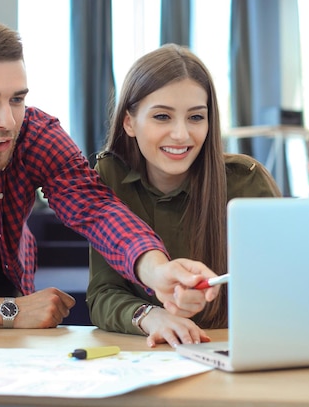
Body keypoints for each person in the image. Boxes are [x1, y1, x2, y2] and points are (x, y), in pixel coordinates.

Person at [0, 17, 220, 331]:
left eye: (16, 99)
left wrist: (156, 271)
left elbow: (95, 208)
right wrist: (7, 311)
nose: (7, 121)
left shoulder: (34, 134)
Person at [86, 44, 282, 347]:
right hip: (149, 358)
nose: (181, 134)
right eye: (162, 117)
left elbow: (282, 290)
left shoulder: (246, 183)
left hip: (237, 353)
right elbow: (103, 294)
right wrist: (151, 316)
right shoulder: (108, 177)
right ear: (129, 122)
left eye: (195, 117)